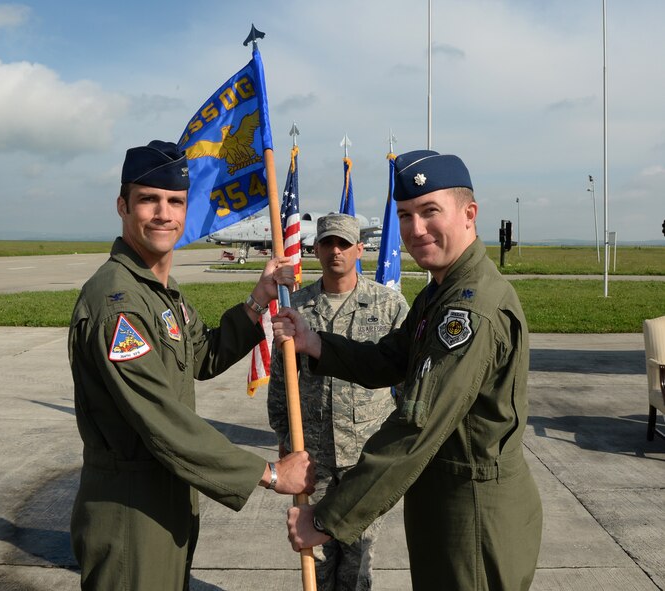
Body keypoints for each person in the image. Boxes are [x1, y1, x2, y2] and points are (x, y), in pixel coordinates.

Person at [274, 150, 543, 590]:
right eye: (405, 215)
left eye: (429, 211)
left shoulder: (468, 310)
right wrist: (315, 343)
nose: (415, 229)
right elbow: (390, 359)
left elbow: (416, 427)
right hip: (445, 502)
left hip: (472, 513)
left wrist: (326, 518)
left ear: (469, 214)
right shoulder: (441, 292)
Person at [68, 140, 315, 591]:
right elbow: (162, 419)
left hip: (170, 495)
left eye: (175, 202)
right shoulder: (116, 304)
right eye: (149, 200)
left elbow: (202, 356)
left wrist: (258, 300)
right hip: (130, 508)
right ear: (123, 206)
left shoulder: (162, 293)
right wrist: (270, 474)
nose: (164, 213)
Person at [267, 213, 408, 590]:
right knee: (317, 559)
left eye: (344, 244)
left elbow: (407, 381)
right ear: (315, 249)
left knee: (358, 558)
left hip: (367, 455)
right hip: (314, 455)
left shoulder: (388, 305)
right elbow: (281, 378)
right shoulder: (296, 307)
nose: (335, 251)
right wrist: (284, 435)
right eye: (327, 243)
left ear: (360, 249)